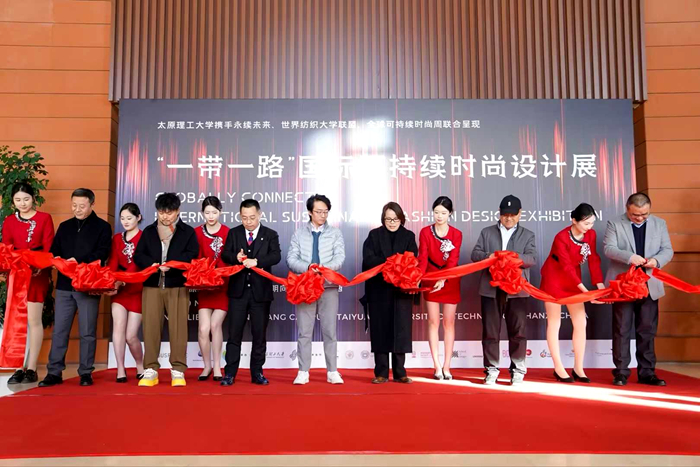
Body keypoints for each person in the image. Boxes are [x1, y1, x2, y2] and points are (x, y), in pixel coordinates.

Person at [39, 188, 112, 387]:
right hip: (64, 285)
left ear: (92, 204)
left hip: (87, 285)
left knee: (87, 332)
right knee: (60, 331)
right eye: (74, 205)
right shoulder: (65, 226)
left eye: (82, 206)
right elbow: (54, 250)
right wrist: (58, 260)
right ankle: (54, 372)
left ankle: (86, 372)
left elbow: (102, 253)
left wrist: (78, 261)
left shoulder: (102, 227)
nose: (77, 209)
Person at [603, 193, 674, 386]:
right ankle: (621, 372)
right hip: (624, 285)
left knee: (647, 330)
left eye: (644, 214)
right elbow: (609, 248)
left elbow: (667, 250)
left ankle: (647, 373)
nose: (640, 218)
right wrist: (629, 257)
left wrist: (656, 261)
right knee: (621, 329)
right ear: (627, 209)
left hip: (649, 283)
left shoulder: (659, 224)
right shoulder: (615, 223)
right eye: (635, 215)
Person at [134, 193, 199, 387]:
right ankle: (150, 369)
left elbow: (193, 255)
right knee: (151, 328)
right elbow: (139, 255)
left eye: (169, 213)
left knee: (178, 329)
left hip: (177, 285)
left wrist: (173, 264)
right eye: (161, 212)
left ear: (177, 211)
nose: (165, 216)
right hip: (152, 285)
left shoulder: (187, 232)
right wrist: (153, 264)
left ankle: (178, 369)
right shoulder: (149, 231)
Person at [471, 195, 536, 385]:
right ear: (499, 214)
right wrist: (491, 256)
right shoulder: (486, 232)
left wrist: (511, 257)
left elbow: (532, 258)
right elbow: (475, 254)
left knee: (518, 332)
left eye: (512, 215)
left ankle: (518, 371)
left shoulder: (528, 235)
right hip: (491, 288)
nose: (508, 218)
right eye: (505, 215)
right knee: (490, 332)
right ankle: (491, 370)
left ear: (520, 214)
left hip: (517, 289)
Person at [540, 203, 605, 383]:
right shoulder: (561, 237)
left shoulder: (591, 234)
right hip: (554, 277)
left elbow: (593, 259)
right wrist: (586, 292)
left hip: (574, 279)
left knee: (581, 322)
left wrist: (599, 285)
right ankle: (558, 367)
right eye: (586, 223)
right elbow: (566, 266)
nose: (589, 227)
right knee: (555, 322)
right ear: (574, 220)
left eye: (592, 223)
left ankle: (578, 367)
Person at [220, 199, 281, 386]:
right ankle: (230, 373)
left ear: (260, 215)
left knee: (259, 335)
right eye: (244, 218)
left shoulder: (270, 234)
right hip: (237, 292)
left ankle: (257, 373)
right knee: (234, 335)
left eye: (252, 217)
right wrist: (235, 257)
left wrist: (257, 261)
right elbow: (225, 254)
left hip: (260, 293)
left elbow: (276, 256)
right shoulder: (234, 233)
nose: (248, 222)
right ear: (240, 216)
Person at [287, 194, 345, 385]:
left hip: (328, 287)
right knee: (305, 331)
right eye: (319, 212)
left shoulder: (335, 233)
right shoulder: (299, 233)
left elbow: (340, 258)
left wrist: (323, 269)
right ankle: (303, 371)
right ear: (310, 212)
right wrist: (308, 267)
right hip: (305, 287)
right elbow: (291, 259)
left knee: (330, 331)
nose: (322, 215)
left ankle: (332, 371)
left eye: (325, 212)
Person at [2, 183, 55, 385]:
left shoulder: (44, 218)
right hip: (17, 275)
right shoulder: (9, 221)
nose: (22, 203)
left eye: (26, 199)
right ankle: (18, 368)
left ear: (33, 198)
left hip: (37, 275)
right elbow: (6, 249)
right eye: (18, 200)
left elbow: (49, 248)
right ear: (13, 201)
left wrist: (41, 266)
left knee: (33, 320)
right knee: (18, 321)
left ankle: (31, 368)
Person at [361, 202, 417, 384]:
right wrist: (391, 263)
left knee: (401, 330)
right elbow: (368, 259)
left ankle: (400, 372)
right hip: (379, 290)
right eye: (388, 219)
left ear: (401, 219)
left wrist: (399, 267)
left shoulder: (409, 236)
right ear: (383, 219)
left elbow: (413, 260)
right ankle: (381, 372)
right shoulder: (374, 235)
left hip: (401, 290)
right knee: (380, 330)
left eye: (395, 219)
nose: (392, 222)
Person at [417, 196, 463, 380]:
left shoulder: (456, 234)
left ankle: (447, 366)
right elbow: (422, 258)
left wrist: (444, 278)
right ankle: (436, 365)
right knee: (433, 322)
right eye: (436, 212)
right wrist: (418, 277)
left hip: (450, 279)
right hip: (430, 278)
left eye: (443, 213)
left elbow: (454, 259)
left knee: (449, 323)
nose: (439, 216)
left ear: (450, 213)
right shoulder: (425, 232)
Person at [106, 203, 145, 383]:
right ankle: (120, 368)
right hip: (119, 291)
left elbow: (137, 263)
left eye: (129, 218)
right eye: (122, 218)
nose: (125, 221)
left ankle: (139, 365)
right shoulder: (116, 238)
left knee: (131, 335)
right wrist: (110, 283)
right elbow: (113, 262)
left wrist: (123, 281)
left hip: (137, 289)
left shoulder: (144, 237)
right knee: (118, 329)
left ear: (138, 217)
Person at [194, 196, 230, 382]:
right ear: (202, 213)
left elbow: (229, 259)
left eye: (214, 212)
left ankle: (217, 366)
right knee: (203, 329)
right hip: (204, 286)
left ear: (220, 212)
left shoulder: (228, 232)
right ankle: (206, 366)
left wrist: (218, 273)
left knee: (215, 325)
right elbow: (196, 258)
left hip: (223, 286)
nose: (210, 216)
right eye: (207, 212)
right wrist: (205, 274)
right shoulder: (196, 232)